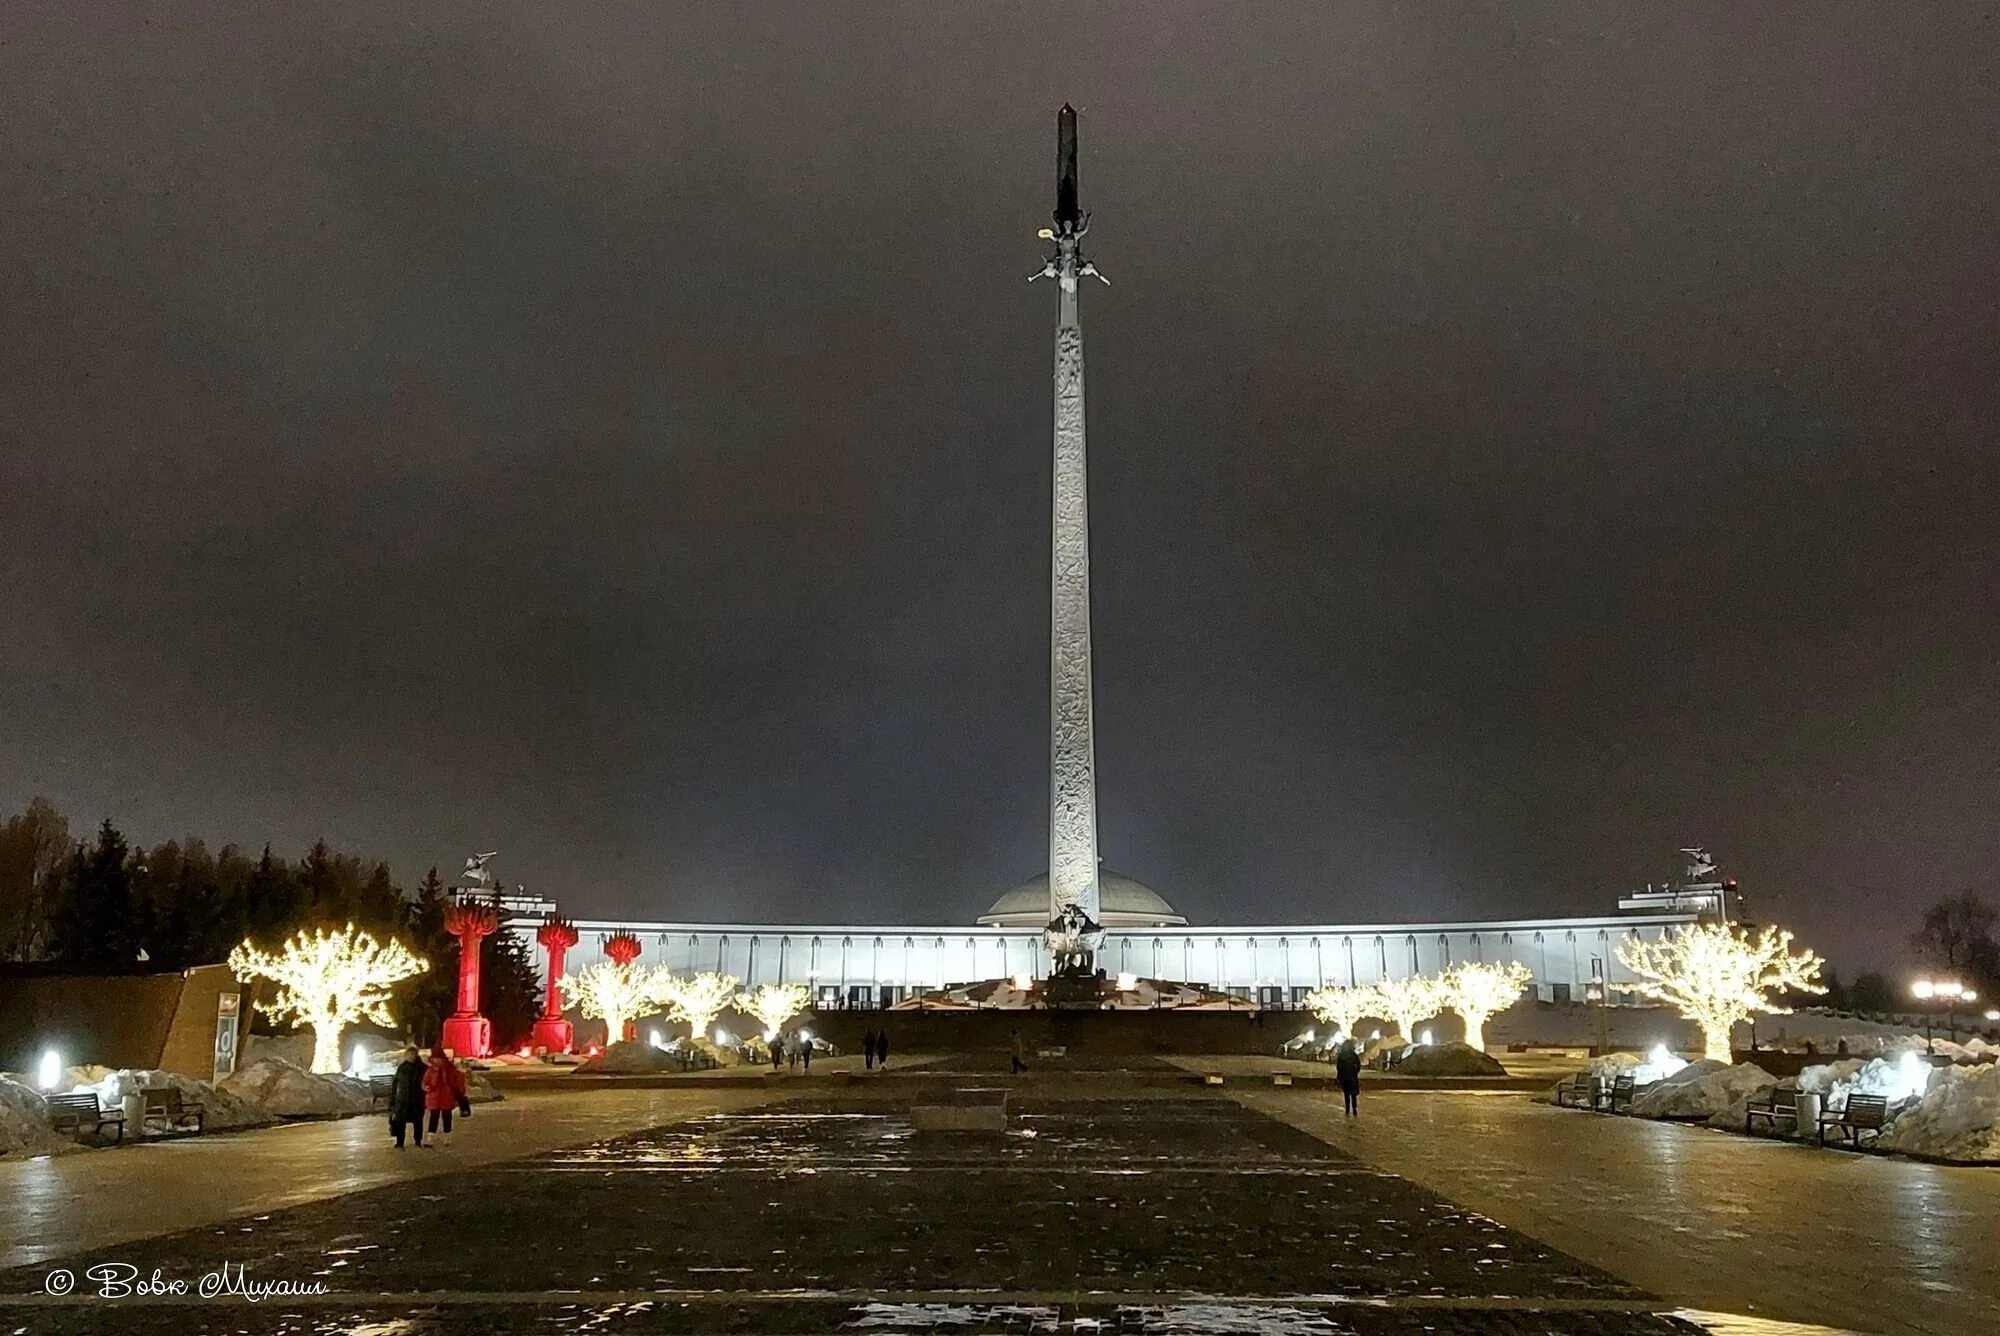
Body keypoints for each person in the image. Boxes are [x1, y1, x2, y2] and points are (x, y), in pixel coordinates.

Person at [423, 1047, 467, 1139]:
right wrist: (426, 1087)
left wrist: (459, 1092)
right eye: (435, 1058)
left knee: (446, 1117)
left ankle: (447, 1135)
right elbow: (425, 1082)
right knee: (434, 1117)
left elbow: (457, 1081)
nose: (437, 1060)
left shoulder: (450, 1069)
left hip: (447, 1096)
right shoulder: (430, 1070)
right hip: (434, 1097)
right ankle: (431, 1136)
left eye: (438, 1058)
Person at [388, 1045, 427, 1148]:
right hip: (403, 1099)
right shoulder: (402, 1067)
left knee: (418, 1121)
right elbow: (395, 1084)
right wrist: (393, 1100)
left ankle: (418, 1140)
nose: (410, 1056)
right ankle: (400, 1142)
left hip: (417, 1099)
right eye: (409, 1054)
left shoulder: (422, 1068)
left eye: (412, 1054)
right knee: (401, 1121)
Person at [1334, 1038, 1362, 1117]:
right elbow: (1358, 1066)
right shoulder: (1354, 1055)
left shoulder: (1342, 1055)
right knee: (1353, 1095)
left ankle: (1347, 1109)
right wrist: (1355, 1072)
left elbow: (1339, 1067)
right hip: (1352, 1077)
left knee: (1347, 1094)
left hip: (1345, 1077)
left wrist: (1340, 1076)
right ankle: (1354, 1109)